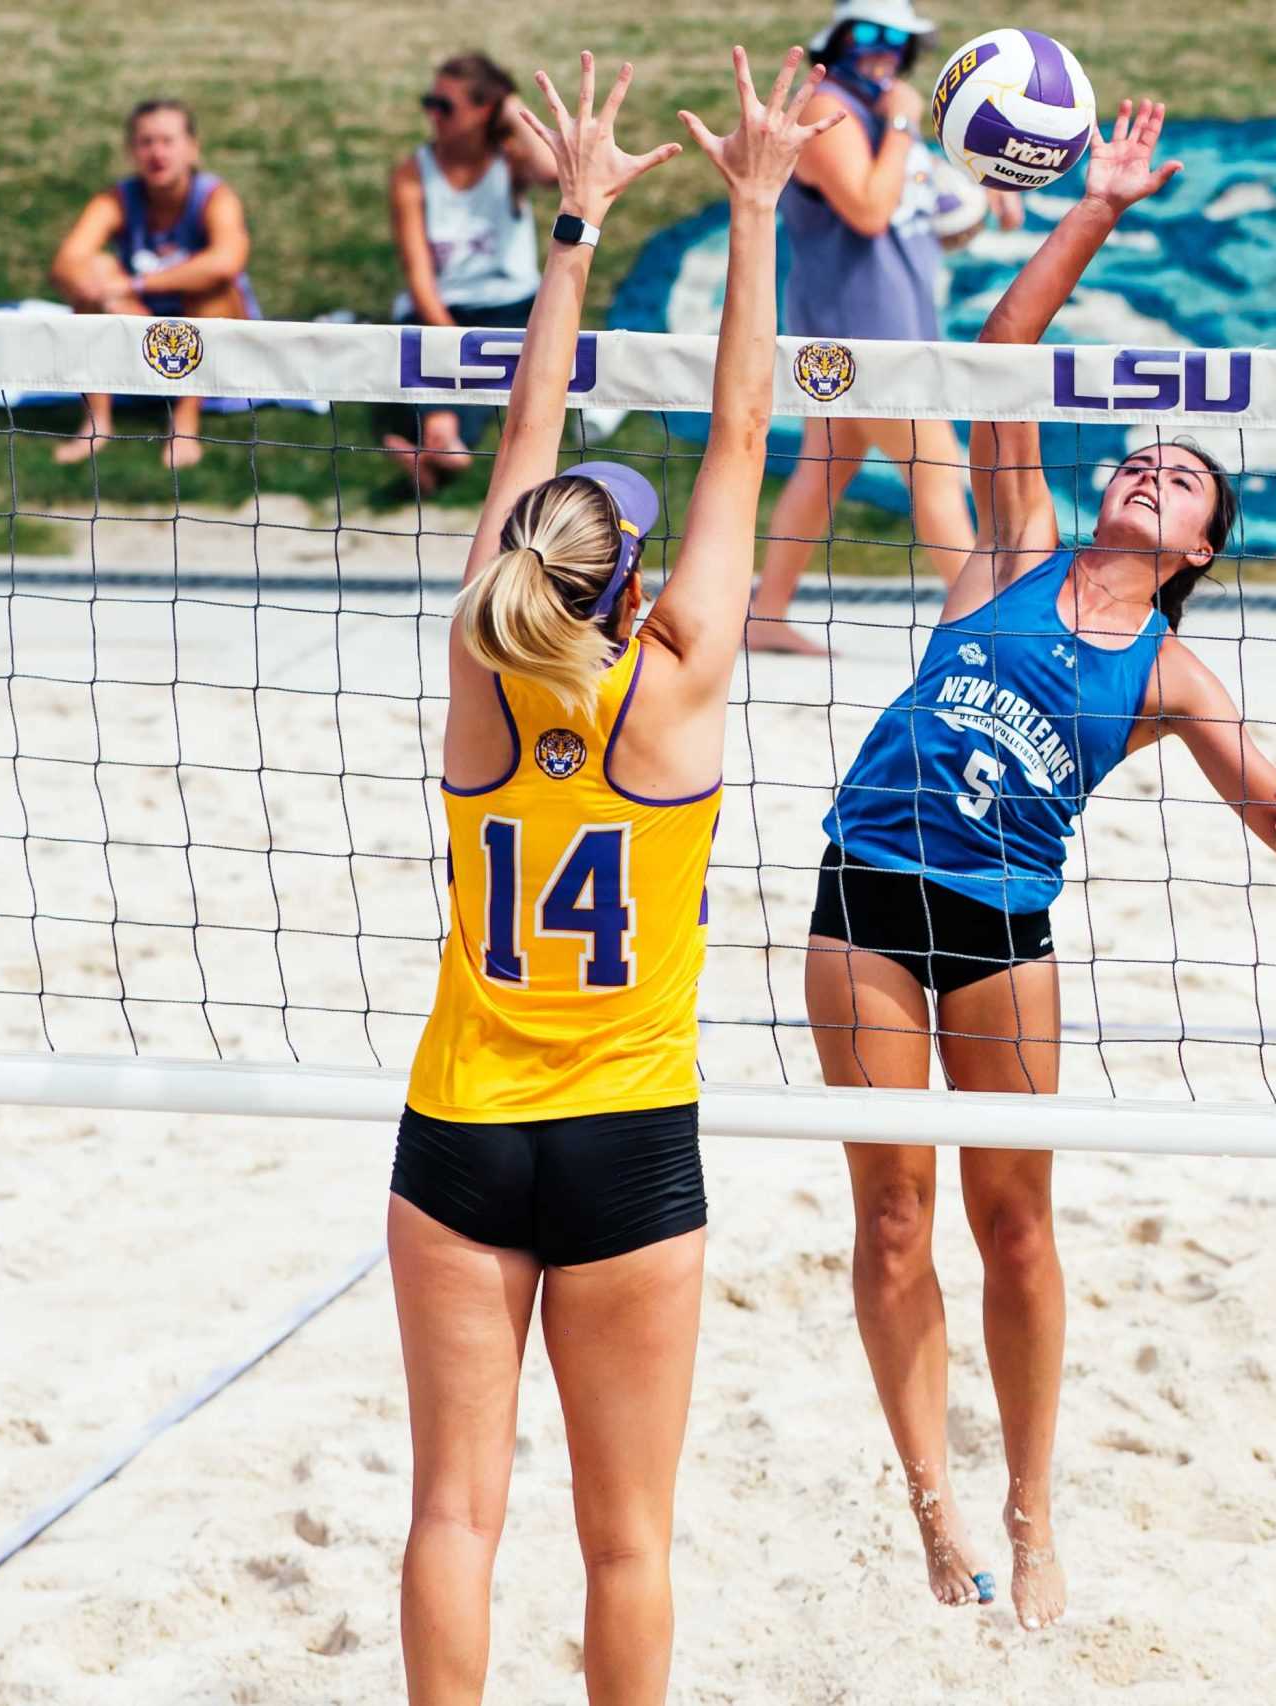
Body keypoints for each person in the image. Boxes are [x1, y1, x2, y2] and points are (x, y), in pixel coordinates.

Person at [804, 99, 1276, 1633]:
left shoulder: (1174, 671)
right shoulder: (1014, 540)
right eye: (1150, 456)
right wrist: (1097, 202)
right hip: (866, 891)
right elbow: (999, 349)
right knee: (894, 1217)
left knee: (1015, 1222)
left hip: (1003, 928)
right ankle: (936, 1516)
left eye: (1185, 479)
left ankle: (1037, 1520)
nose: (1156, 468)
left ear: (1197, 548)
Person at [387, 44, 831, 1706]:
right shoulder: (684, 679)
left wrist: (570, 222)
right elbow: (743, 429)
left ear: (525, 564)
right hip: (630, 1138)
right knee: (628, 1541)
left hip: (464, 1126)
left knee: (454, 1513)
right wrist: (758, 204)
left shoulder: (480, 669)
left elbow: (526, 417)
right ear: (632, 579)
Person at [747, 0, 1014, 655]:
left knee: (827, 467)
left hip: (880, 320)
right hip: (855, 327)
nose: (883, 50)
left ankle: (767, 613)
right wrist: (901, 120)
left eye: (897, 39)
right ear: (836, 40)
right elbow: (866, 208)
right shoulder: (827, 106)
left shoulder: (877, 112)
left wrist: (984, 189)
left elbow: (900, 205)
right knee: (937, 465)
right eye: (868, 35)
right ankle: (988, 631)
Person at [382, 52, 560, 495]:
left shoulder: (511, 158)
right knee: (418, 354)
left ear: (484, 111)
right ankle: (443, 438)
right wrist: (448, 334)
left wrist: (513, 107)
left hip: (508, 301)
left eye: (446, 106)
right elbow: (418, 275)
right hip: (440, 303)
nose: (433, 115)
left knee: (499, 367)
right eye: (430, 102)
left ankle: (436, 437)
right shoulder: (412, 173)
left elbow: (555, 171)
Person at [46, 99, 258, 470]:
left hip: (216, 331)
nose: (157, 153)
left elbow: (226, 262)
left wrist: (137, 285)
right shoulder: (119, 198)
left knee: (208, 288)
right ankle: (96, 422)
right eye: (146, 142)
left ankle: (186, 421)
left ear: (192, 148)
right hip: (141, 323)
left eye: (168, 141)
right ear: (132, 151)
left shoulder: (214, 197)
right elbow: (66, 263)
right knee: (95, 269)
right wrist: (101, 290)